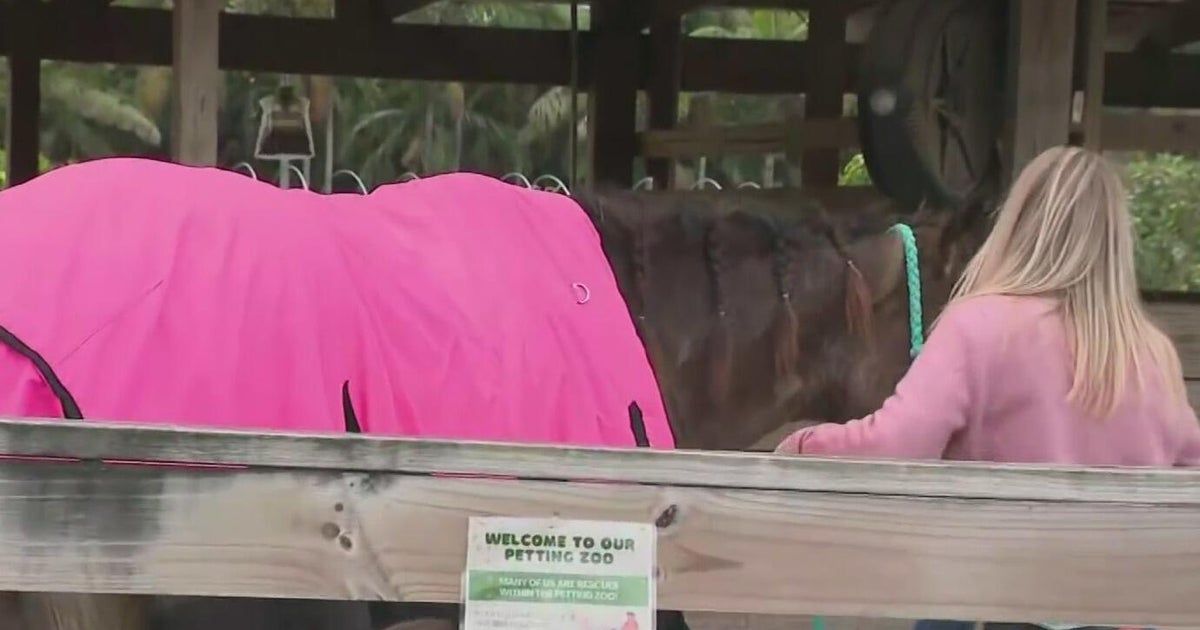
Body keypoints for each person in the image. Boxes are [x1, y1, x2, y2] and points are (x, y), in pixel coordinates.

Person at [775, 146, 1200, 629]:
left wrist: (806, 446)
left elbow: (894, 444)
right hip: (1111, 613)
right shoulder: (1153, 354)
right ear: (1116, 241)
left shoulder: (980, 324)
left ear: (1020, 222)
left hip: (986, 604)